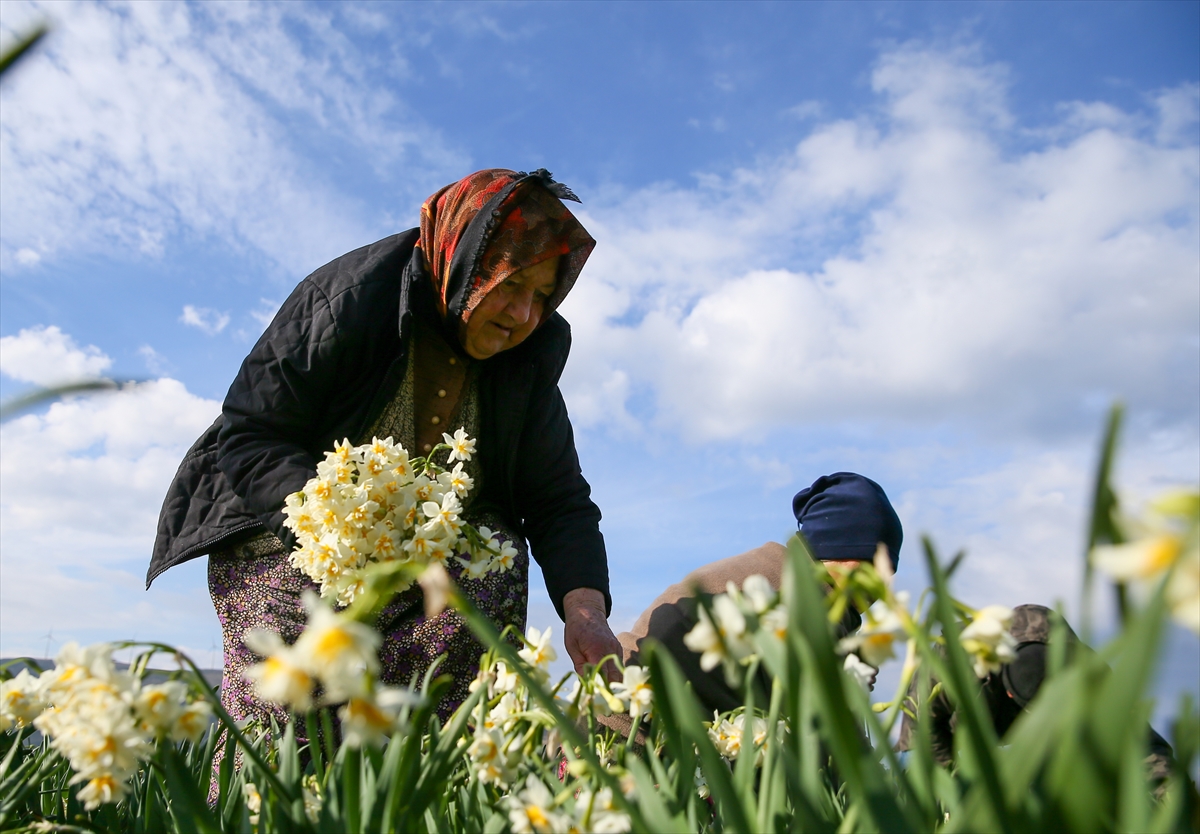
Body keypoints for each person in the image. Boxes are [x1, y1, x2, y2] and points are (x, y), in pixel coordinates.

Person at [146, 169, 622, 731]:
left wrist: (585, 613)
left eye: (543, 296)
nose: (524, 315)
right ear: (464, 259)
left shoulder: (528, 361)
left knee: (494, 567)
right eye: (512, 284)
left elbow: (558, 500)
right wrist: (342, 537)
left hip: (431, 563)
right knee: (290, 719)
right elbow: (251, 433)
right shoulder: (348, 298)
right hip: (295, 541)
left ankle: (430, 781)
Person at [607, 472, 902, 733]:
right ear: (839, 547)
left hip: (612, 717)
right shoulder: (809, 607)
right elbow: (823, 750)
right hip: (633, 738)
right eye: (874, 563)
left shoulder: (775, 569)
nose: (883, 580)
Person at [895, 604, 1173, 790]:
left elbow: (1141, 743)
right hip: (957, 729)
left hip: (1045, 744)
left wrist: (1171, 801)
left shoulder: (1088, 674)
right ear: (1006, 689)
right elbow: (922, 726)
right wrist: (950, 789)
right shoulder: (958, 656)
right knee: (921, 775)